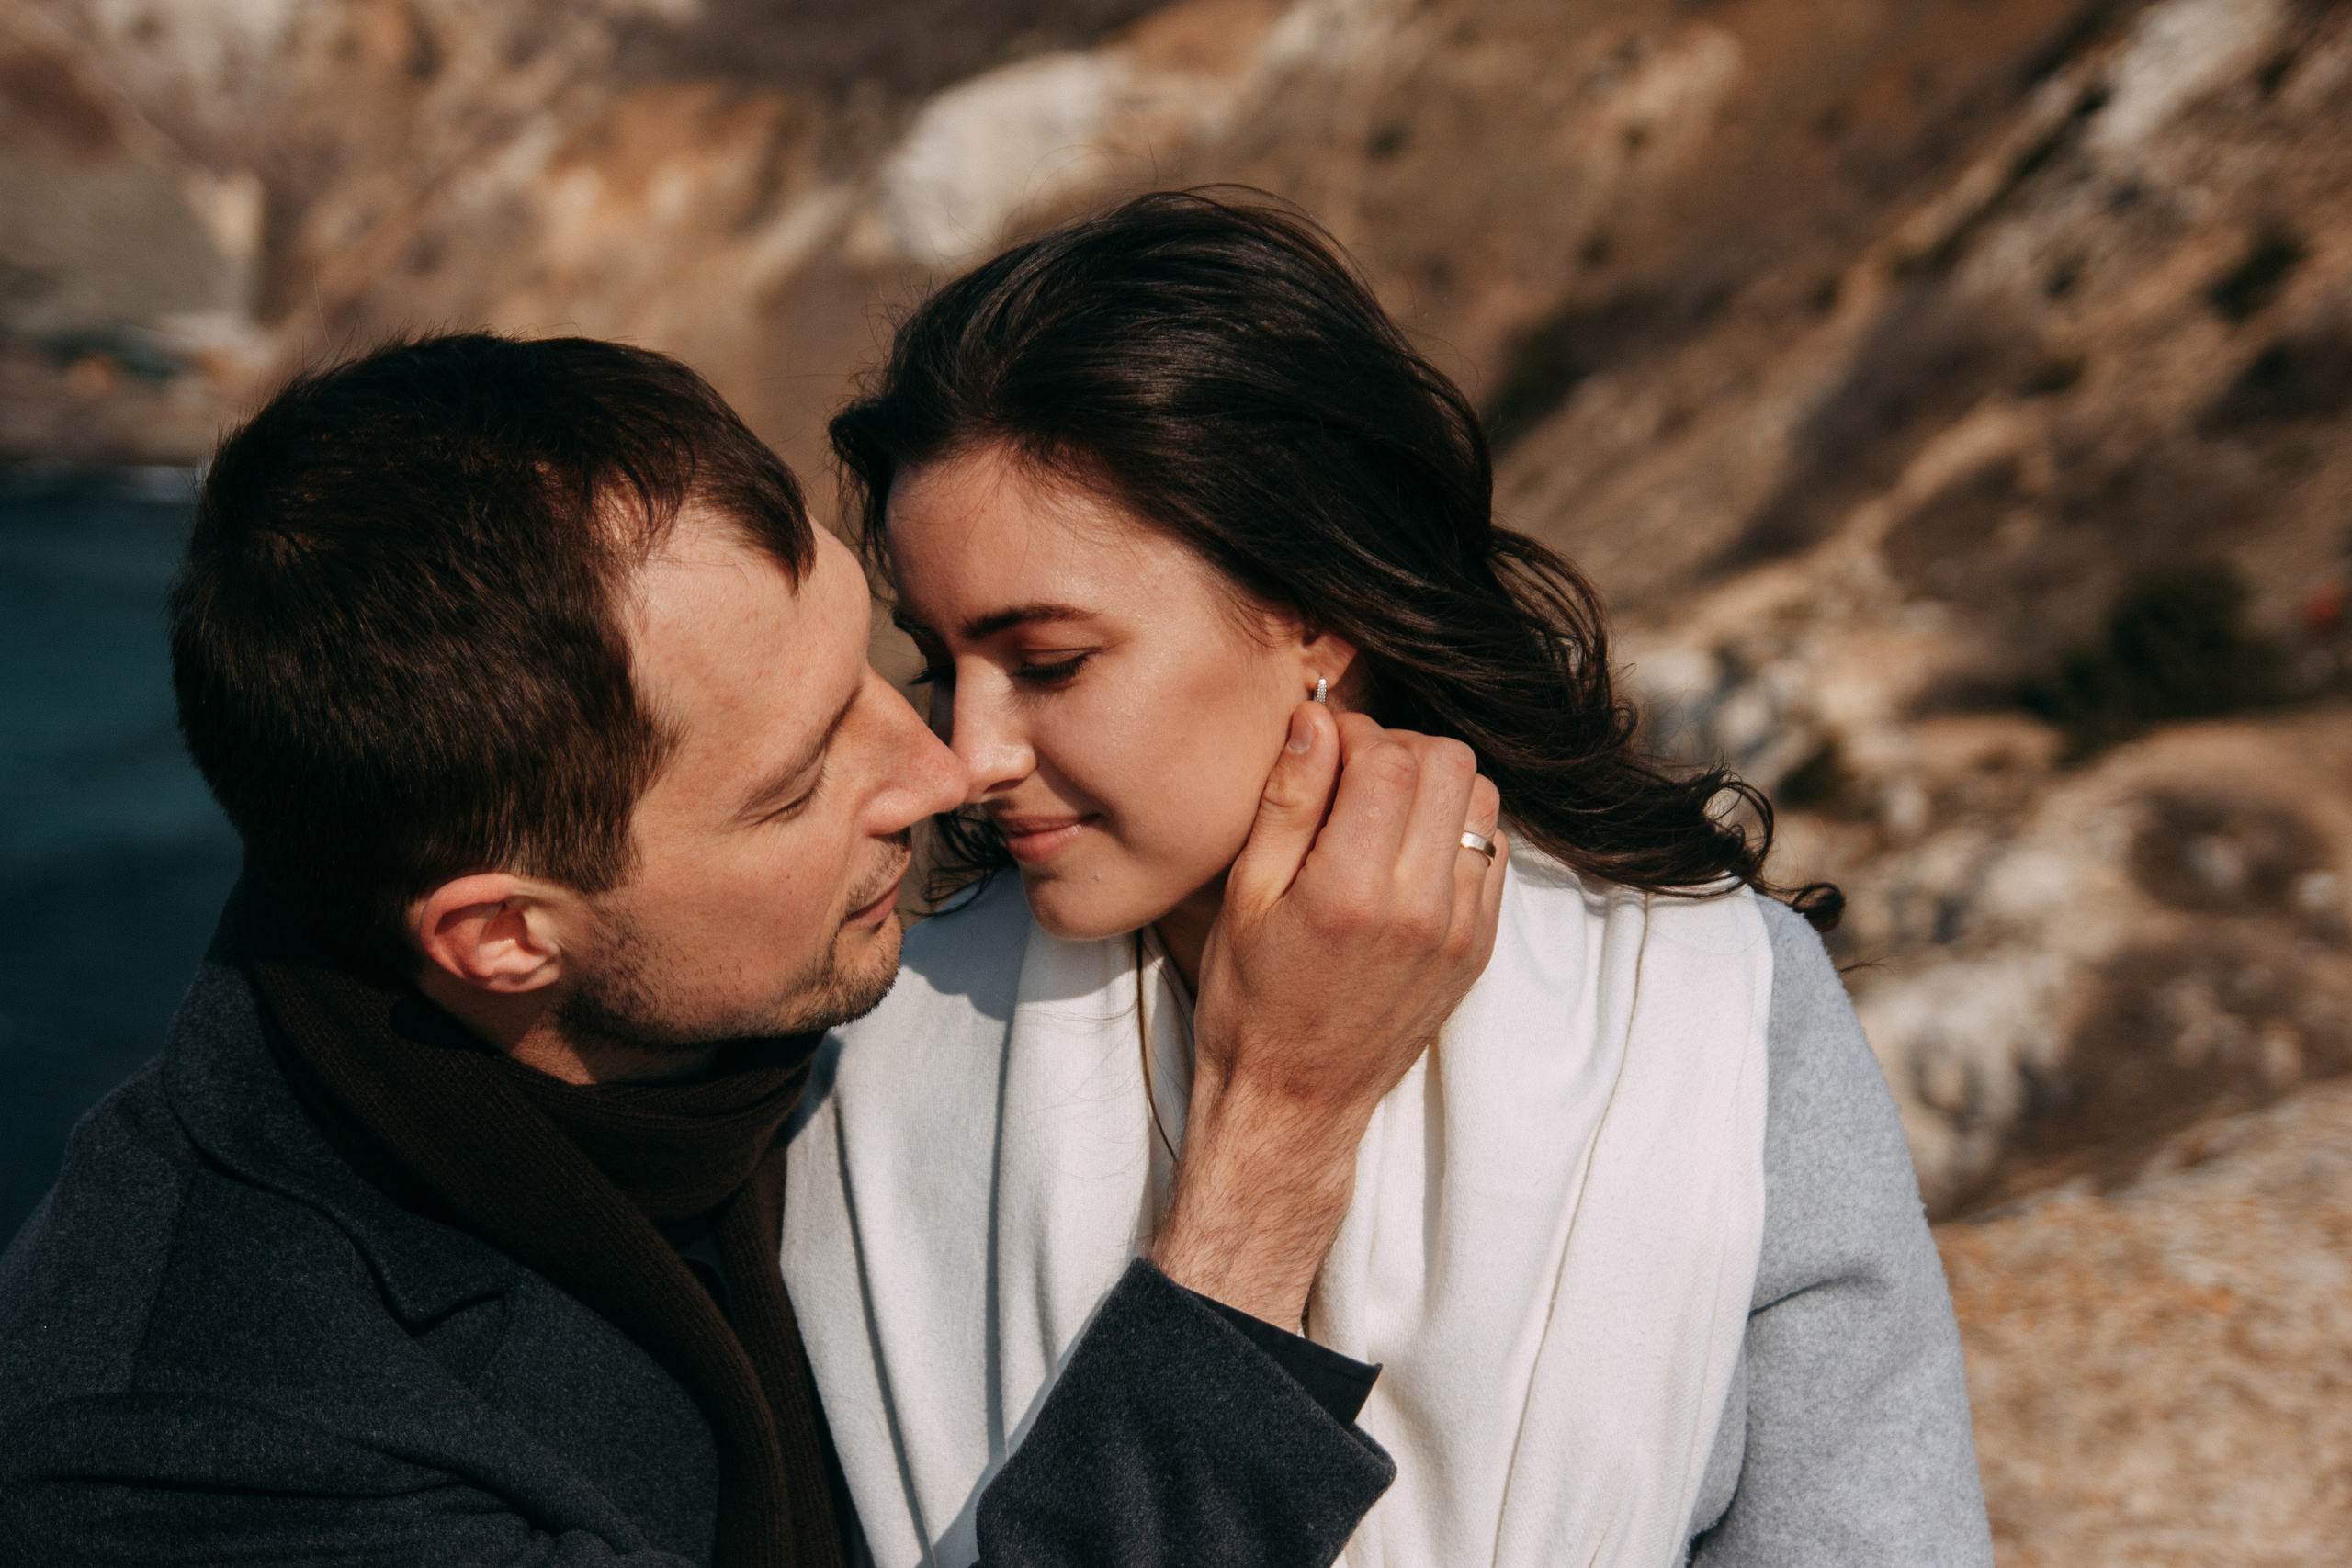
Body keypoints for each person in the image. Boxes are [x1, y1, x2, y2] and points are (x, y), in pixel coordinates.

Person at [0, 333, 1507, 1566]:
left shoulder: (740, 1024)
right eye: (794, 785)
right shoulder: (201, 1446)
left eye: (873, 668)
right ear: (505, 937)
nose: (940, 770)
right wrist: (1278, 1129)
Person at [783, 191, 1997, 1568]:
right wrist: (1277, 1130)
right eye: (944, 664)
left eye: (1050, 663)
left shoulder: (1703, 1012)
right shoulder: (861, 1075)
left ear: (1315, 616)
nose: (968, 752)